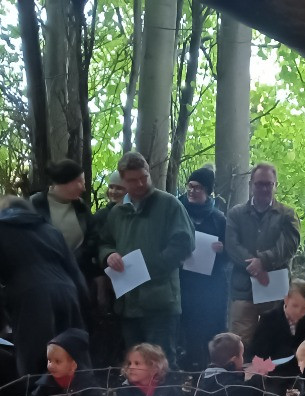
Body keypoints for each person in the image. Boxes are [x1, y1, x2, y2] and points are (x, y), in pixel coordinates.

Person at [0, 195, 92, 376]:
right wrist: (83, 305)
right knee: (75, 357)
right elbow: (74, 271)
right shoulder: (50, 230)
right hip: (68, 293)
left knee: (36, 364)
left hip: (31, 297)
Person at [99, 152, 195, 368]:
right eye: (133, 180)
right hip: (128, 303)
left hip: (161, 301)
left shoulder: (169, 205)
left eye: (144, 177)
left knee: (161, 362)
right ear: (123, 180)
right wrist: (108, 255)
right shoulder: (117, 212)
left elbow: (184, 244)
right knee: (135, 363)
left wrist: (147, 268)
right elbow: (104, 242)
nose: (140, 183)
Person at [225, 162, 301, 344]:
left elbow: (288, 246)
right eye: (259, 184)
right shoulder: (236, 214)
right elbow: (232, 246)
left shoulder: (287, 215)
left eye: (268, 184)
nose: (264, 188)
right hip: (243, 289)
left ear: (275, 185)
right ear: (251, 184)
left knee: (275, 341)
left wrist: (264, 261)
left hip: (274, 289)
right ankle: (241, 374)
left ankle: (271, 374)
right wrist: (254, 266)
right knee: (239, 343)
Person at [178, 165, 229, 372]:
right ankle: (188, 366)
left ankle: (209, 369)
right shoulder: (178, 211)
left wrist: (222, 250)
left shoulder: (218, 218)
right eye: (190, 186)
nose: (192, 190)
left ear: (207, 191)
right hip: (183, 280)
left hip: (210, 284)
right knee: (186, 327)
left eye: (198, 187)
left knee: (209, 326)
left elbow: (230, 253)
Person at [30, 159, 95, 279]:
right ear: (65, 181)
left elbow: (91, 240)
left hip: (77, 277)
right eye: (80, 182)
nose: (84, 188)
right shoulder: (34, 204)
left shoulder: (81, 207)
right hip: (42, 278)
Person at [90, 171, 129, 370]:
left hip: (130, 276)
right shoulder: (102, 216)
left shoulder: (132, 213)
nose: (113, 191)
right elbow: (95, 246)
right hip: (106, 277)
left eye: (119, 188)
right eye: (111, 187)